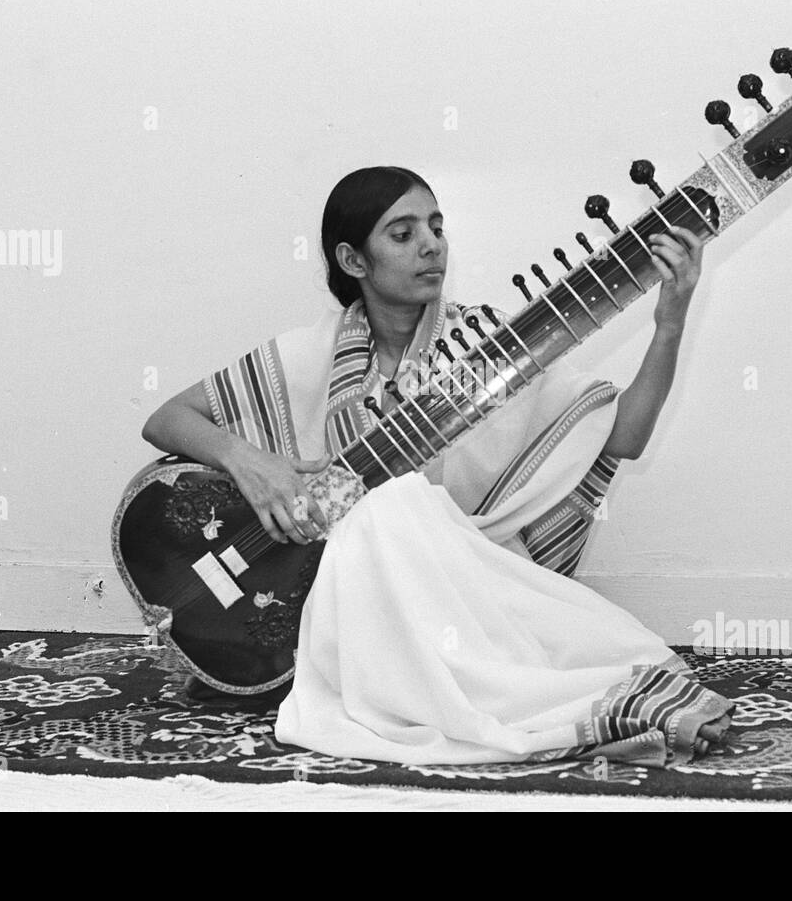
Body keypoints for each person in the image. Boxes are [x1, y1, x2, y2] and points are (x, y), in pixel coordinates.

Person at [141, 166, 734, 767]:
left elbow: (625, 438)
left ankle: (553, 704)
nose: (431, 244)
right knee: (389, 505)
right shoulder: (309, 355)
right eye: (401, 234)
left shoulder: (485, 354)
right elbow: (166, 419)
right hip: (334, 597)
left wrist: (670, 321)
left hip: (460, 588)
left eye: (436, 226)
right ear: (353, 260)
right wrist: (252, 463)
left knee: (404, 509)